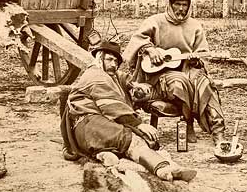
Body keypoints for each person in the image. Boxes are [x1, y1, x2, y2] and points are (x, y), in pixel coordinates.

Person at [60, 40, 197, 182]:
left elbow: (123, 79)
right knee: (130, 138)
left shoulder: (109, 74)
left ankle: (104, 153)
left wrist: (135, 85)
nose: (113, 64)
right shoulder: (96, 76)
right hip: (89, 123)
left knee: (124, 140)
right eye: (109, 59)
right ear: (100, 58)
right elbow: (112, 106)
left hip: (88, 129)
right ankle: (163, 169)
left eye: (115, 61)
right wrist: (138, 124)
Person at [122, 0, 225, 146]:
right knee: (179, 83)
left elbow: (202, 52)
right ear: (170, 4)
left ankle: (218, 133)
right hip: (159, 74)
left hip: (188, 69)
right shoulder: (155, 21)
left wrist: (196, 60)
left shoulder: (195, 26)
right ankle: (188, 122)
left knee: (205, 84)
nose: (181, 9)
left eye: (185, 5)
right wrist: (150, 49)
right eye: (177, 4)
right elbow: (136, 40)